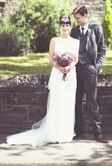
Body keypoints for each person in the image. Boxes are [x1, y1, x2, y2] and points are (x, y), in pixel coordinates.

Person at [6, 14, 79, 147]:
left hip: (70, 75)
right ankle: (54, 133)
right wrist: (58, 66)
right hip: (57, 74)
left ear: (70, 26)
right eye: (62, 25)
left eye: (67, 25)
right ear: (59, 26)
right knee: (57, 102)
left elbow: (76, 59)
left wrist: (68, 66)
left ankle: (66, 133)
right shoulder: (54, 41)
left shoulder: (75, 42)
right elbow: (51, 58)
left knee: (68, 102)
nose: (65, 27)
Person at [70, 5, 108, 143]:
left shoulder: (96, 29)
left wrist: (96, 67)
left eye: (78, 18)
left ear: (85, 15)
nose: (76, 21)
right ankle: (77, 131)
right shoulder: (74, 31)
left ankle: (98, 133)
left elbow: (102, 49)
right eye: (75, 18)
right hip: (75, 71)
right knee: (76, 102)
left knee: (92, 102)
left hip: (90, 70)